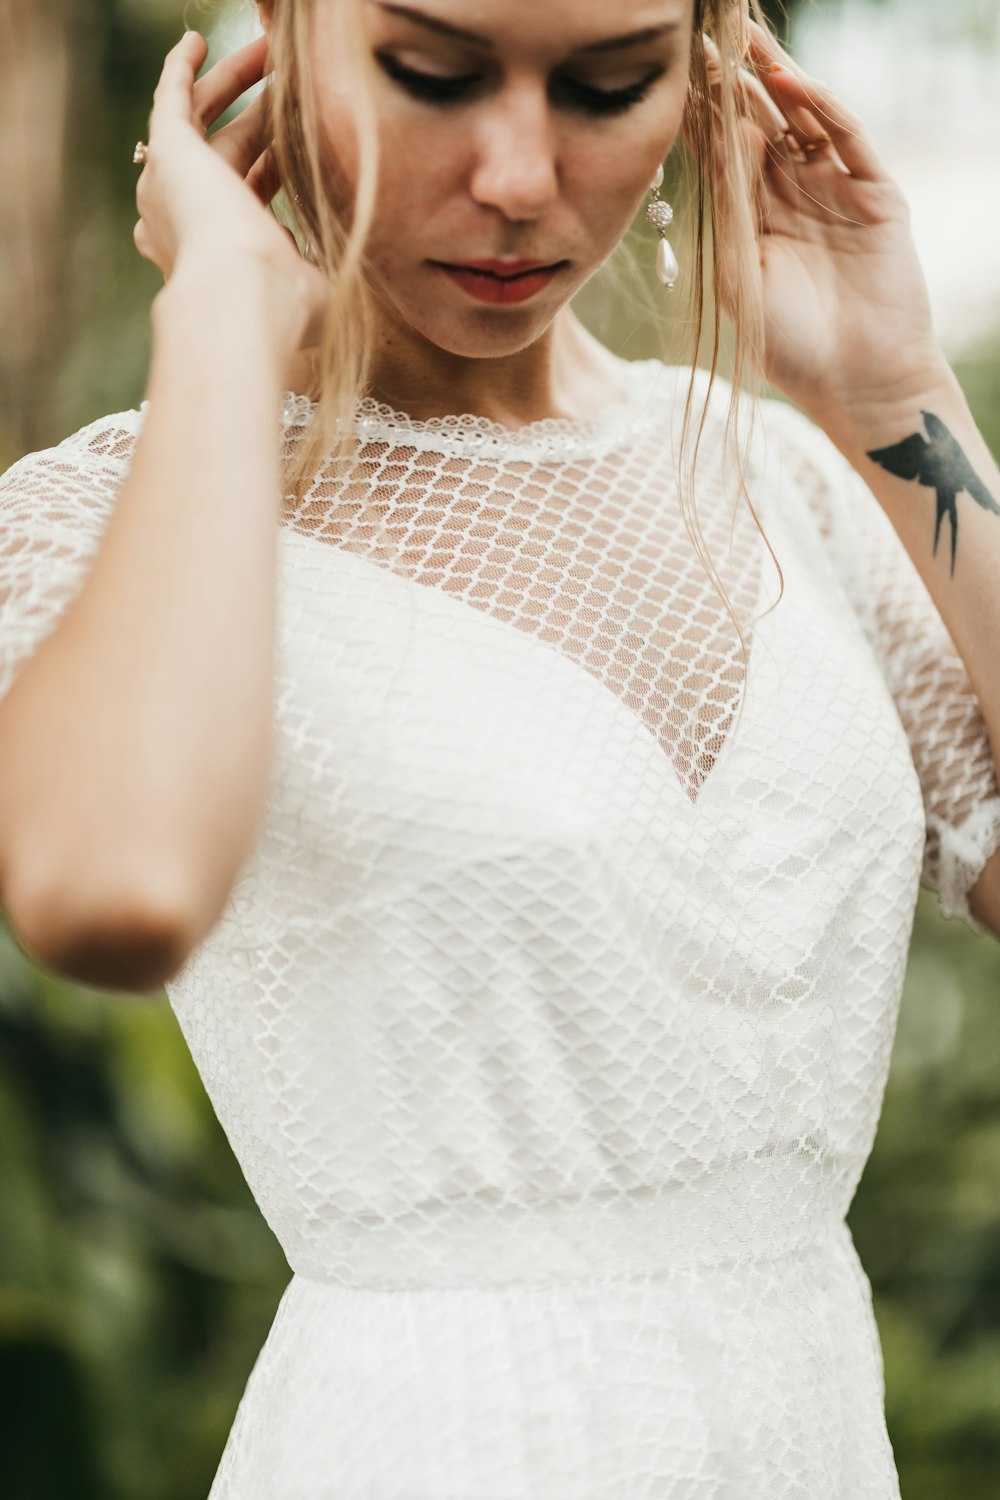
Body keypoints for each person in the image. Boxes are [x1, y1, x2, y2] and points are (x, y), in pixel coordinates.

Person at [1, 0, 999, 1493]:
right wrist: (218, 316)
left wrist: (896, 392)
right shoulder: (107, 527)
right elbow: (112, 887)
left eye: (608, 86)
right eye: (433, 73)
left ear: (708, 66)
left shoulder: (784, 474)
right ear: (284, 37)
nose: (523, 176)